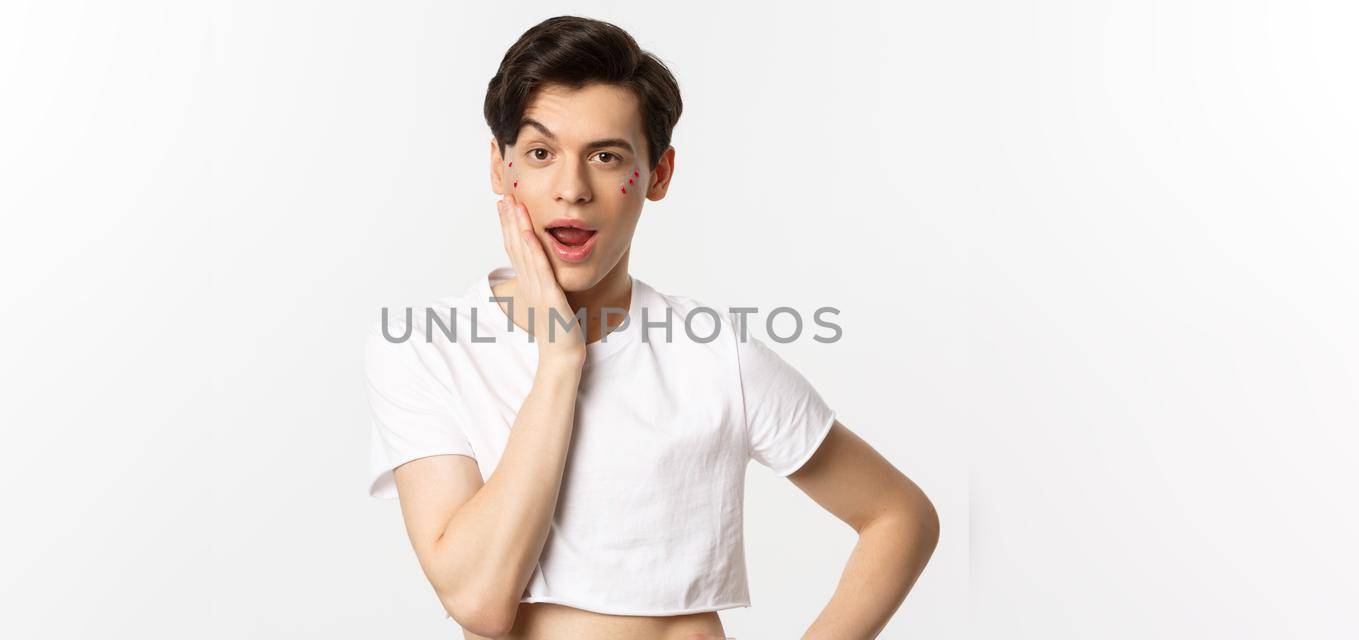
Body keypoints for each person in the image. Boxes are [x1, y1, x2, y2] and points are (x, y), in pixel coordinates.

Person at [363, 16, 940, 639]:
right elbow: (479, 599)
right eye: (540, 153)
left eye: (606, 157)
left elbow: (899, 516)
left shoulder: (716, 355)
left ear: (658, 175)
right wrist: (560, 362)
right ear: (502, 171)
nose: (572, 189)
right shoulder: (428, 350)